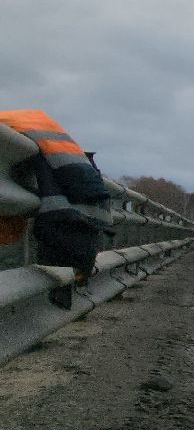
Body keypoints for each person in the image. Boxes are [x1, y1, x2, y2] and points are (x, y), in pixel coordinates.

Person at [1, 110, 113, 303]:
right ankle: (67, 292)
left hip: (67, 216)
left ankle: (63, 293)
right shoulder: (39, 123)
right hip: (84, 213)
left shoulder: (11, 125)